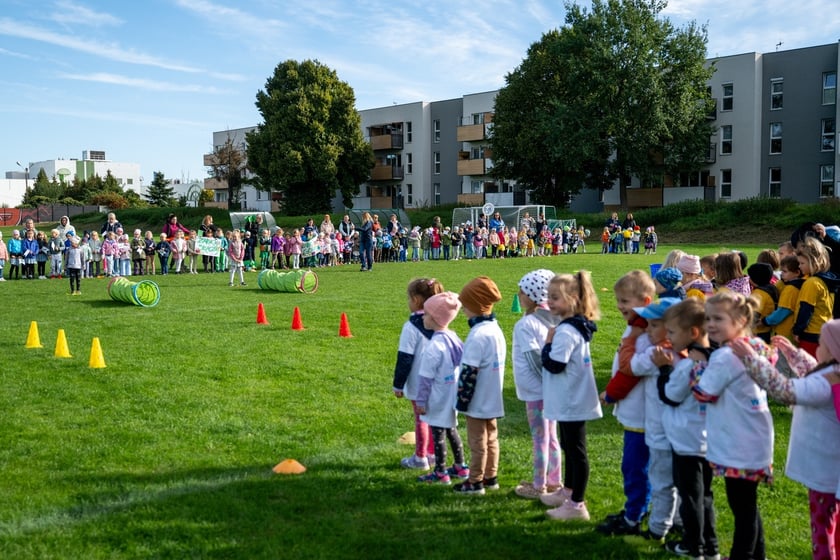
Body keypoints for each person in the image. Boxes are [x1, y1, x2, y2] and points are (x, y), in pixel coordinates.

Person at [731, 324, 840, 560]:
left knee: (823, 529)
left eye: (822, 345)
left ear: (832, 351)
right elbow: (813, 372)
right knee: (830, 526)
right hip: (829, 472)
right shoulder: (832, 376)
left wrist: (751, 359)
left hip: (825, 475)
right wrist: (794, 354)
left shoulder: (825, 383)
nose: (817, 348)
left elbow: (785, 390)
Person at [692, 291, 775, 560]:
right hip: (754, 438)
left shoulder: (725, 356)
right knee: (748, 506)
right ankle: (755, 555)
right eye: (708, 318)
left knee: (742, 507)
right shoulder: (754, 345)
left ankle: (742, 555)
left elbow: (704, 393)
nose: (711, 324)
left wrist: (693, 367)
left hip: (738, 443)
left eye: (718, 318)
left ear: (740, 319)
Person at [655, 298, 720, 560]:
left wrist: (663, 369)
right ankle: (710, 546)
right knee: (705, 496)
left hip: (686, 441)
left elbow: (670, 395)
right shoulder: (714, 360)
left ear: (693, 332)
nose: (668, 338)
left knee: (690, 496)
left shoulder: (688, 368)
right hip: (707, 439)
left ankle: (693, 546)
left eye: (671, 332)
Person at [597, 270, 656, 536]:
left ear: (645, 302)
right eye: (619, 300)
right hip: (638, 412)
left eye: (625, 301)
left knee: (635, 467)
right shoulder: (637, 327)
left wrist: (611, 394)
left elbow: (630, 371)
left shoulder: (644, 335)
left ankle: (634, 516)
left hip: (641, 414)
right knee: (640, 466)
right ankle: (641, 510)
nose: (619, 306)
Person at [539, 271, 602, 520]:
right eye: (548, 296)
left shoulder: (565, 331)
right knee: (569, 445)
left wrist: (546, 344)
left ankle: (577, 505)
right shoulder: (575, 325)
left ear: (573, 299)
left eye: (555, 297)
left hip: (572, 400)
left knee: (576, 450)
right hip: (573, 397)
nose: (550, 302)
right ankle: (569, 490)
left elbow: (555, 364)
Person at [629, 297, 683, 541]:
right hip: (683, 433)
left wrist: (632, 340)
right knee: (681, 481)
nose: (647, 330)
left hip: (660, 431)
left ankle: (658, 528)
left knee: (661, 482)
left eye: (652, 325)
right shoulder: (687, 352)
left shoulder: (657, 353)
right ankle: (681, 521)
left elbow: (634, 366)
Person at [512, 270, 563, 499]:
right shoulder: (550, 318)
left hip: (537, 391)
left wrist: (546, 382)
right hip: (550, 389)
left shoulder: (526, 324)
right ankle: (554, 481)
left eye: (522, 291)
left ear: (533, 295)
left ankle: (538, 484)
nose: (519, 294)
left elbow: (534, 359)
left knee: (540, 438)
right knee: (551, 438)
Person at [453, 276, 505, 495]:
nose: (463, 309)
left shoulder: (478, 334)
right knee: (491, 437)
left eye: (466, 305)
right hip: (493, 395)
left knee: (477, 441)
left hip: (477, 397)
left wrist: (462, 401)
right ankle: (490, 477)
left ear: (474, 305)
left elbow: (469, 371)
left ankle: (474, 481)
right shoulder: (495, 329)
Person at [415, 292, 468, 484]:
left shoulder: (433, 347)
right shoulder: (452, 337)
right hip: (451, 394)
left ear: (436, 319)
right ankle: (461, 466)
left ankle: (440, 471)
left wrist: (421, 401)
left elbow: (425, 379)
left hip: (437, 397)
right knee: (451, 429)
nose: (423, 317)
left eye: (427, 314)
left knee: (437, 433)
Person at [393, 278, 443, 470]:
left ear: (415, 300)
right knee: (433, 419)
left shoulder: (411, 327)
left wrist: (398, 384)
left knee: (421, 418)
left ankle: (420, 457)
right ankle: (432, 454)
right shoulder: (441, 322)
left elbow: (405, 358)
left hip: (419, 382)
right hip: (439, 381)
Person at [794, 237, 838, 357]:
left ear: (814, 262)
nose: (799, 266)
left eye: (802, 263)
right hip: (825, 331)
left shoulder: (812, 283)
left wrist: (797, 330)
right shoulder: (829, 280)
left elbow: (806, 309)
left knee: (808, 369)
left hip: (810, 334)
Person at [761, 255, 802, 341]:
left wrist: (765, 321)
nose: (781, 273)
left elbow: (783, 311)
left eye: (785, 271)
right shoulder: (800, 285)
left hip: (784, 332)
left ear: (797, 272)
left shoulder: (791, 289)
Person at [747, 263, 778, 343]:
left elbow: (754, 314)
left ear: (755, 278)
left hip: (758, 332)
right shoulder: (771, 288)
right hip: (768, 330)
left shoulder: (759, 293)